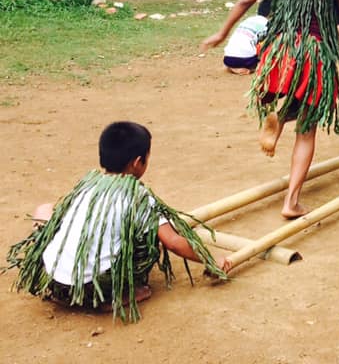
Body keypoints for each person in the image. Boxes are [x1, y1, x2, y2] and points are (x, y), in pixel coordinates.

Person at [202, 0, 339, 218]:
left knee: (289, 95)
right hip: (314, 52)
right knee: (307, 130)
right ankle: (291, 201)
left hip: (279, 50)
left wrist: (222, 32)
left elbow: (245, 0)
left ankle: (279, 120)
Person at [6, 121, 228, 322]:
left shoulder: (87, 185)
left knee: (45, 209)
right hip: (92, 288)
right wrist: (210, 260)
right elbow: (172, 242)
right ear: (138, 162)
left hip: (53, 280)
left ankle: (72, 287)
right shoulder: (139, 198)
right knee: (150, 240)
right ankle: (113, 296)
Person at [222, 0, 271, 74]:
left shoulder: (249, 19)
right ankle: (247, 68)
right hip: (245, 60)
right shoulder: (268, 24)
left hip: (227, 58)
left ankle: (232, 66)